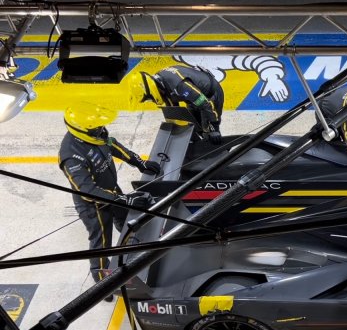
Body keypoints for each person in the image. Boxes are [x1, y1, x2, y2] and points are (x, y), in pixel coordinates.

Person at [58, 102, 161, 284]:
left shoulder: (96, 134)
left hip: (111, 190)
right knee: (102, 245)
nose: (101, 129)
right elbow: (87, 191)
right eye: (97, 127)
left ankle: (130, 244)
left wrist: (139, 162)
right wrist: (124, 199)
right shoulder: (70, 156)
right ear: (83, 129)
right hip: (94, 206)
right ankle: (102, 283)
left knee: (125, 218)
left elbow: (113, 145)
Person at [129, 65, 225, 144]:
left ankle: (218, 151)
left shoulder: (180, 86)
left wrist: (213, 127)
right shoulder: (160, 83)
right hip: (193, 98)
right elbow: (173, 112)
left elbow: (206, 104)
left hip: (211, 95)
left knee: (209, 132)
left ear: (151, 91)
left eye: (148, 99)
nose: (151, 101)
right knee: (194, 127)